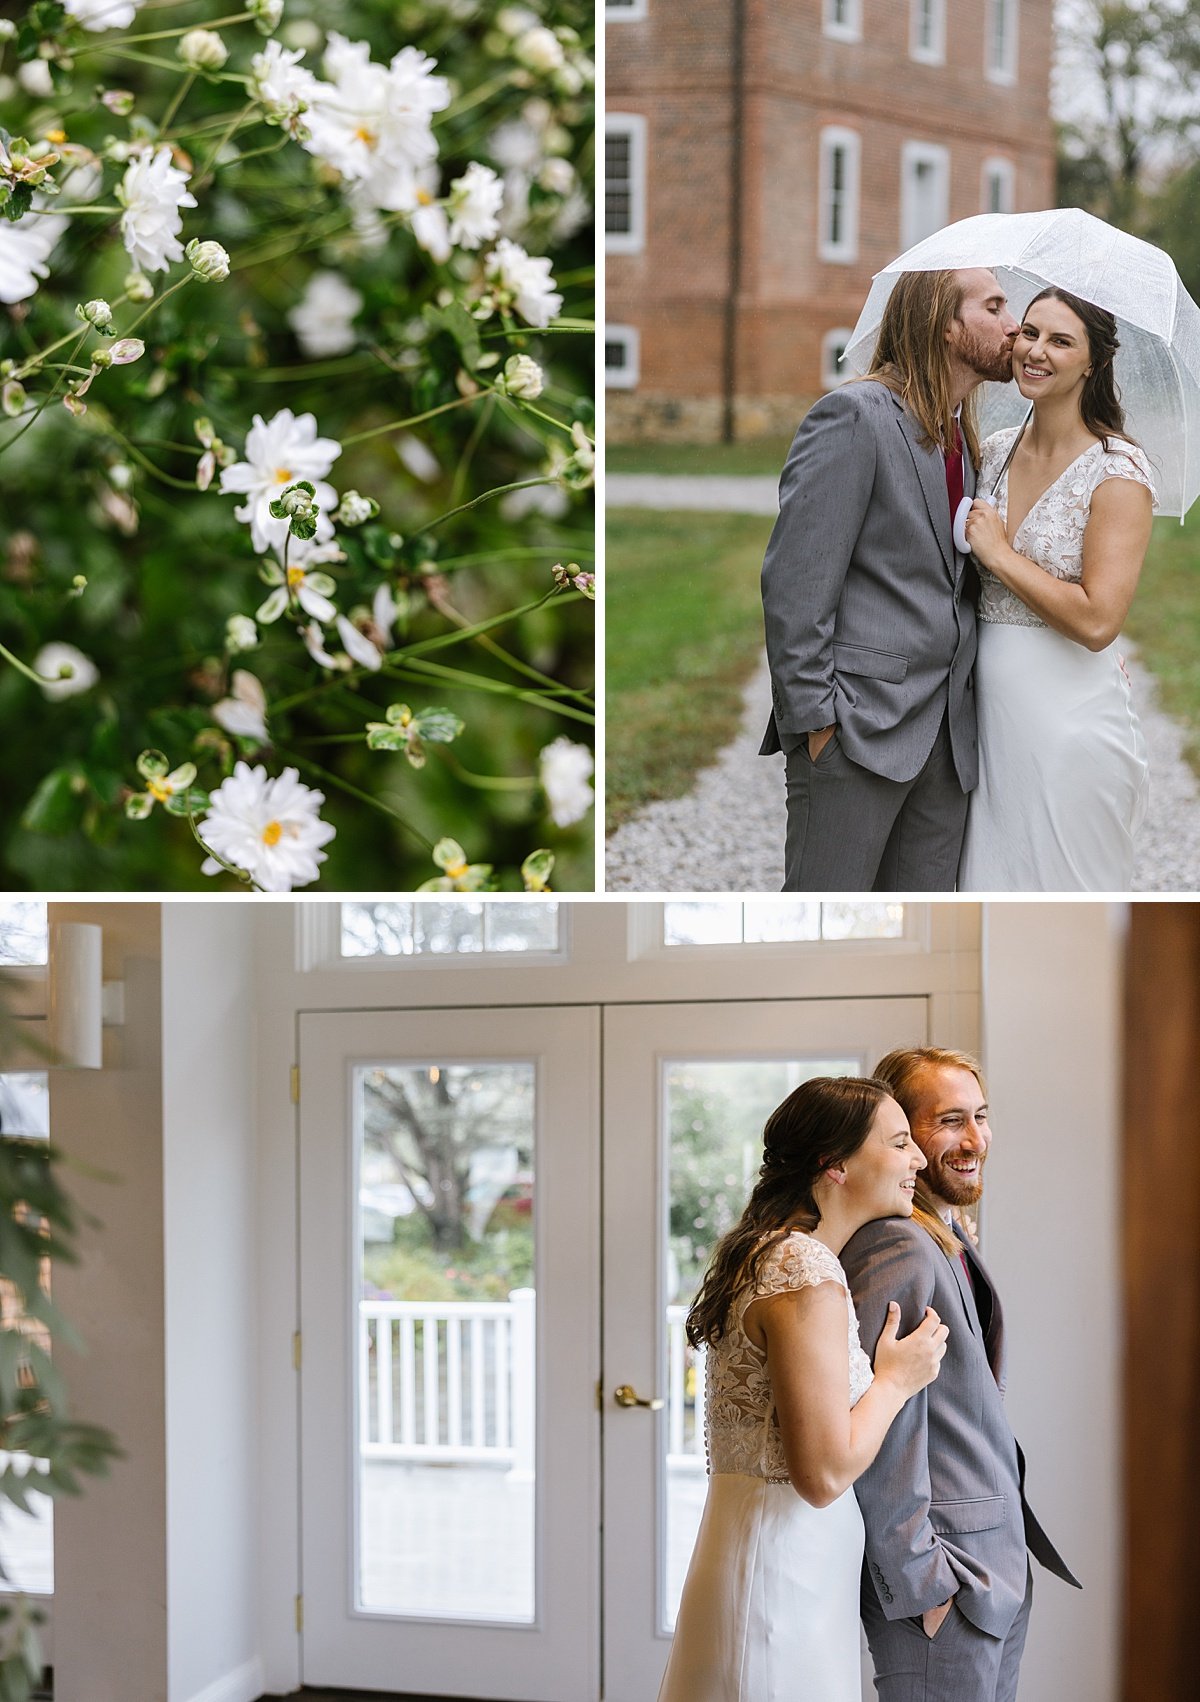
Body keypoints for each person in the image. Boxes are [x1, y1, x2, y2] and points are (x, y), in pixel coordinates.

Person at [658, 1075, 949, 1702]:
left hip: (775, 1554)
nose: (919, 1159)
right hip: (783, 1572)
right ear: (835, 1165)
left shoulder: (775, 1254)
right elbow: (820, 1474)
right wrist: (896, 1381)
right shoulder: (802, 1268)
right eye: (900, 1143)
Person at [760, 268, 1019, 891]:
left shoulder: (963, 435)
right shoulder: (854, 417)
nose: (1015, 327)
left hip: (947, 742)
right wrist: (817, 724)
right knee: (824, 909)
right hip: (857, 730)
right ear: (946, 325)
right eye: (995, 307)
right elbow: (796, 585)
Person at [841, 1047, 1079, 1702]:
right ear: (899, 1136)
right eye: (950, 1120)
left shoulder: (944, 1233)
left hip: (996, 1569)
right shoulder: (895, 1243)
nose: (974, 1139)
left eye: (980, 1116)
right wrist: (922, 1581)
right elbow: (878, 1417)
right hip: (948, 1583)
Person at [959, 286, 1155, 890]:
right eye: (1031, 332)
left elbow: (1100, 622)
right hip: (985, 727)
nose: (1035, 351)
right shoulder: (989, 453)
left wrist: (999, 554)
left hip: (1069, 729)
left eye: (1061, 341)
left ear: (1093, 362)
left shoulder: (1116, 471)